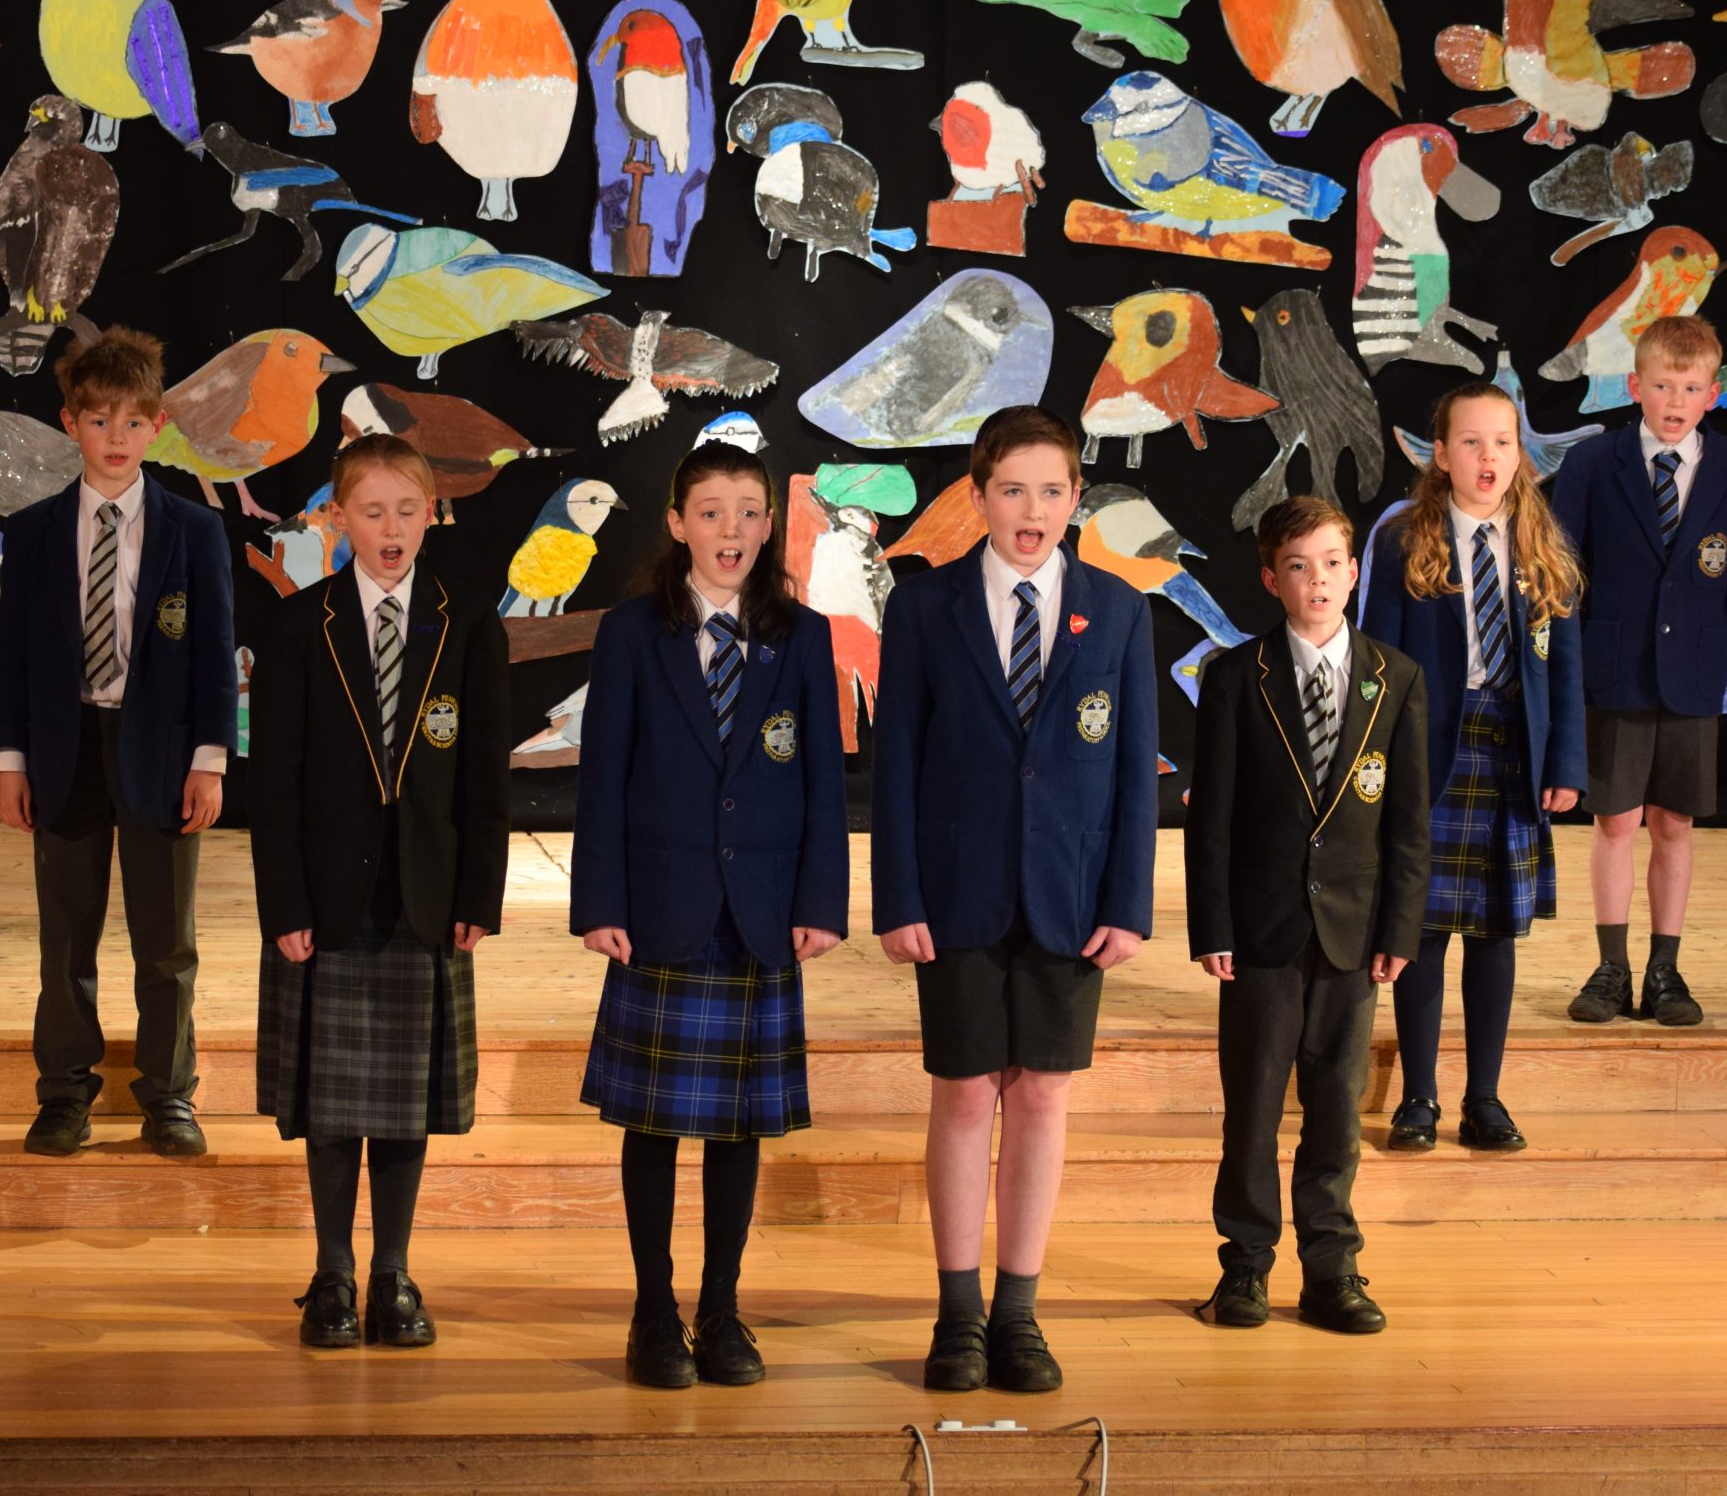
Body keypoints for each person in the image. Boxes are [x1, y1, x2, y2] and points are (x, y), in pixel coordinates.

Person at [870, 405, 1158, 1395]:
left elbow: (1133, 772)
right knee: (963, 1092)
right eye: (1011, 489)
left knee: (1040, 1093)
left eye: (1050, 490)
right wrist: (898, 896)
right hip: (955, 891)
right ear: (978, 496)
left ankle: (1018, 1312)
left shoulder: (1119, 611)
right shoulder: (923, 608)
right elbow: (896, 765)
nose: (1031, 510)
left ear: (1076, 498)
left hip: (1069, 896)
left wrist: (1128, 901)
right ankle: (957, 1314)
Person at [570, 441, 849, 1389]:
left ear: (769, 525)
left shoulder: (801, 636)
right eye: (711, 511)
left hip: (760, 916)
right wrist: (599, 901)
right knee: (651, 1124)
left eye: (748, 512)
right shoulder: (631, 633)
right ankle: (653, 1311)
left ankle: (722, 1310)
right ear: (677, 523)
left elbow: (822, 784)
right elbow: (603, 777)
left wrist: (821, 901)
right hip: (660, 908)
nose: (731, 529)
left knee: (739, 1127)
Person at [249, 433, 511, 1351]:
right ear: (337, 518)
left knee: (404, 1104)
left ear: (432, 514)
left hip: (426, 897)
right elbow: (273, 782)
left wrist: (480, 890)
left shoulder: (466, 620)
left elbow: (484, 774)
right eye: (371, 510)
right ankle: (332, 1271)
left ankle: (393, 1271)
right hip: (328, 899)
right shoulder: (300, 625)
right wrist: (284, 902)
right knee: (332, 1105)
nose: (391, 528)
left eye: (407, 509)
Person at [0, 328, 236, 1159]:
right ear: (70, 423)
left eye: (133, 422)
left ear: (157, 426)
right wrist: (10, 759)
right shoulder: (34, 531)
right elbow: (13, 655)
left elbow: (215, 653)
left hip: (160, 752)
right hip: (66, 750)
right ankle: (64, 1092)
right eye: (99, 420)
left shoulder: (193, 530)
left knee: (166, 941)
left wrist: (209, 759)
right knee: (67, 936)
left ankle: (168, 1093)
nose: (116, 437)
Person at [1188, 496, 1428, 1335]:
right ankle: (1245, 1265)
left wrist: (1400, 927)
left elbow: (1408, 821)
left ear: (1354, 571)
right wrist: (1213, 924)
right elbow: (1212, 819)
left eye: (1330, 563)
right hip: (1262, 931)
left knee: (1336, 1108)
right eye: (1297, 566)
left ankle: (1331, 1266)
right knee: (1253, 1106)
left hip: (1354, 935)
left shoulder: (1395, 678)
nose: (1316, 580)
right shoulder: (1235, 676)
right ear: (1270, 580)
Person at [1550, 316, 1727, 1028]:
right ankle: (1610, 968)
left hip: (1693, 671)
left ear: (1713, 394)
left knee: (1674, 822)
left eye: (1690, 388)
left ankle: (1664, 969)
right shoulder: (1593, 465)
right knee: (1617, 819)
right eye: (1662, 386)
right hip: (1613, 671)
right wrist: (1556, 664)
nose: (1674, 400)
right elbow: (1560, 575)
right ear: (1635, 386)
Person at [1362, 382, 1586, 1154]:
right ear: (1440, 453)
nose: (1488, 456)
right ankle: (1418, 1095)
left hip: (1512, 752)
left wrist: (1566, 759)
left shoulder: (1542, 540)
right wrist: (1379, 763)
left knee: (1495, 931)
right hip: (1430, 750)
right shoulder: (1404, 539)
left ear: (1519, 453)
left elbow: (1565, 666)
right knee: (1421, 926)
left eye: (1502, 441)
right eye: (1471, 441)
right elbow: (1377, 660)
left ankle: (1483, 1096)